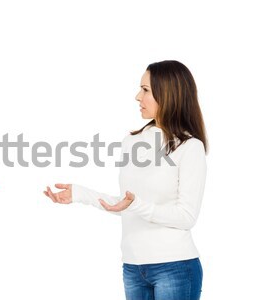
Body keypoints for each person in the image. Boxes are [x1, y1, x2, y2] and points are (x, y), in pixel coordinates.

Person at [44, 60, 207, 300]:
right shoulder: (131, 142)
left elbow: (186, 217)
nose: (137, 96)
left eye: (146, 90)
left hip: (174, 266)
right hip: (132, 267)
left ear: (169, 94)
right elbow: (126, 204)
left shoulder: (189, 147)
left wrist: (136, 204)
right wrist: (80, 194)